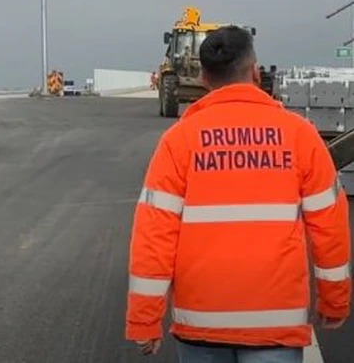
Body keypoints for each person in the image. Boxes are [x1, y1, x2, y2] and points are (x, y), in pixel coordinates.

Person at [126, 25, 350, 361]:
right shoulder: (299, 135)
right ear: (256, 72)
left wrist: (144, 319)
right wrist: (334, 300)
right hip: (275, 325)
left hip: (201, 324)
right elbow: (329, 227)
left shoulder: (179, 140)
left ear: (203, 78)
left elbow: (153, 236)